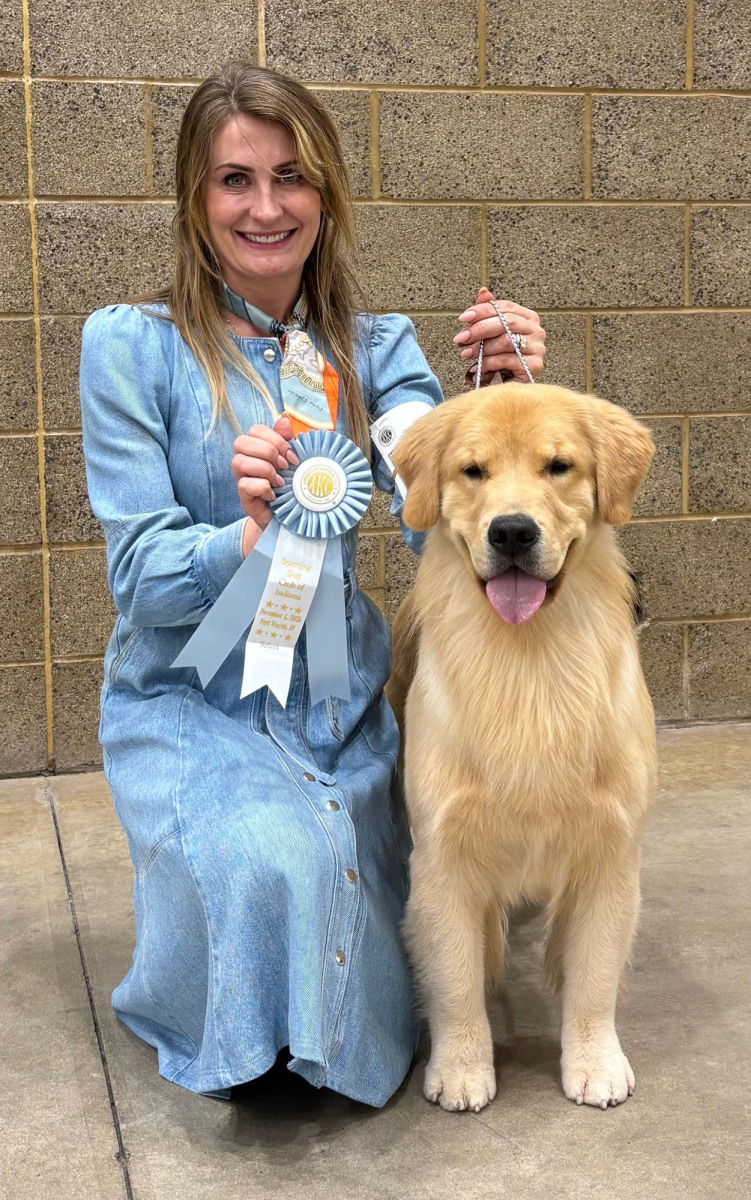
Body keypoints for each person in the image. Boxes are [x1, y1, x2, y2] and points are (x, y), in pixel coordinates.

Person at [79, 62, 546, 1107]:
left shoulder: (378, 350)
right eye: (234, 180)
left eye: (291, 176)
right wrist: (243, 538)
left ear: (325, 193)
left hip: (338, 702)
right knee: (276, 862)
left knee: (425, 900)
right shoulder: (129, 349)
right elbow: (140, 578)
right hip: (194, 699)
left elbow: (442, 515)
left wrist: (505, 399)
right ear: (194, 199)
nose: (265, 207)